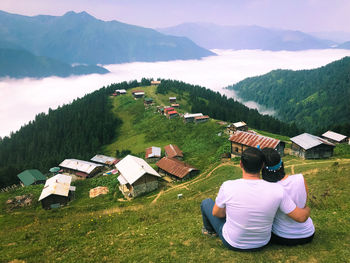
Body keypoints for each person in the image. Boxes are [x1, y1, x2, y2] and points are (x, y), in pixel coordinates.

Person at [200, 147, 310, 251]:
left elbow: (217, 214)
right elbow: (300, 216)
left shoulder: (228, 186)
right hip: (262, 243)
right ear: (262, 165)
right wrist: (306, 209)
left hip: (233, 243)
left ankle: (210, 231)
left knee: (206, 203)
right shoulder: (277, 189)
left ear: (241, 164)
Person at [261, 147, 315, 246]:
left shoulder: (269, 188)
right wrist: (307, 209)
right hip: (308, 232)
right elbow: (303, 204)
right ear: (281, 164)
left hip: (283, 236)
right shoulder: (300, 178)